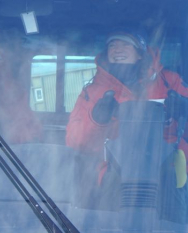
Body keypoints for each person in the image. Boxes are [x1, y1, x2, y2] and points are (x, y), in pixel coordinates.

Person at [66, 28, 188, 222]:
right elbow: (75, 140)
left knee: (175, 231)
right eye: (112, 45)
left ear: (140, 52)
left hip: (167, 172)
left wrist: (183, 109)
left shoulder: (169, 81)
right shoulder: (93, 90)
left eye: (125, 44)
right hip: (113, 173)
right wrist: (97, 119)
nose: (117, 49)